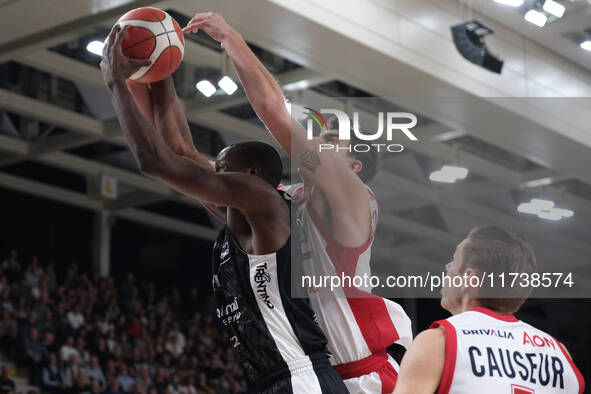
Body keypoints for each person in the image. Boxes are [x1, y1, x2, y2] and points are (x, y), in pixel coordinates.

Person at [101, 23, 347, 393]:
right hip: (278, 379)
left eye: (221, 168)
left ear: (252, 175)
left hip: (303, 378)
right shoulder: (245, 220)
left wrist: (116, 83)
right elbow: (180, 152)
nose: (212, 173)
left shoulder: (265, 202)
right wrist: (161, 71)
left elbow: (156, 162)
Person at [182, 12, 412, 393]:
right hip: (311, 372)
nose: (319, 137)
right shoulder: (286, 199)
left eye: (333, 137)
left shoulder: (356, 197)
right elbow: (199, 177)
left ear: (352, 165)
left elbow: (275, 112)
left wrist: (231, 37)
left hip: (366, 377)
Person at [393, 226, 586, 394]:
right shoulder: (560, 354)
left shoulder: (439, 341)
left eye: (454, 260)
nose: (447, 267)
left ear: (470, 279)